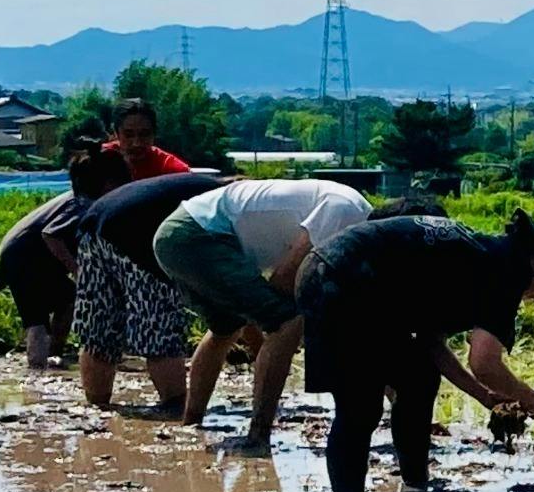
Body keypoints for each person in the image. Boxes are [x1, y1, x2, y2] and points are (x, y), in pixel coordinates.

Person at [295, 208, 534, 492]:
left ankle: (414, 487)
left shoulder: (481, 258)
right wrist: (529, 396)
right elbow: (485, 363)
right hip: (343, 280)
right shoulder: (506, 273)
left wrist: (486, 397)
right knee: (360, 403)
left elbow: (431, 345)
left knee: (418, 376)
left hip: (331, 272)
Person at [153, 176, 374, 449]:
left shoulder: (351, 220)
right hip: (199, 234)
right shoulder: (348, 210)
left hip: (180, 233)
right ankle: (258, 434)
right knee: (288, 321)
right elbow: (284, 277)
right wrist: (291, 335)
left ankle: (191, 423)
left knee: (226, 327)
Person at [70, 168, 226, 414]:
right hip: (136, 233)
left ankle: (97, 408)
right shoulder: (228, 203)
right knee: (160, 327)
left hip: (94, 223)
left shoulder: (202, 186)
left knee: (99, 327)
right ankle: (175, 407)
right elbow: (231, 292)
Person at [0, 189, 82, 370]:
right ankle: (37, 376)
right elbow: (51, 234)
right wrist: (75, 269)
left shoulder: (78, 198)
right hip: (23, 256)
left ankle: (52, 356)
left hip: (26, 253)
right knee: (36, 319)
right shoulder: (82, 203)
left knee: (68, 298)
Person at [105, 100, 190, 183]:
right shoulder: (99, 158)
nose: (136, 143)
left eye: (144, 134)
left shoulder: (173, 171)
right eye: (129, 135)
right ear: (116, 133)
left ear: (154, 133)